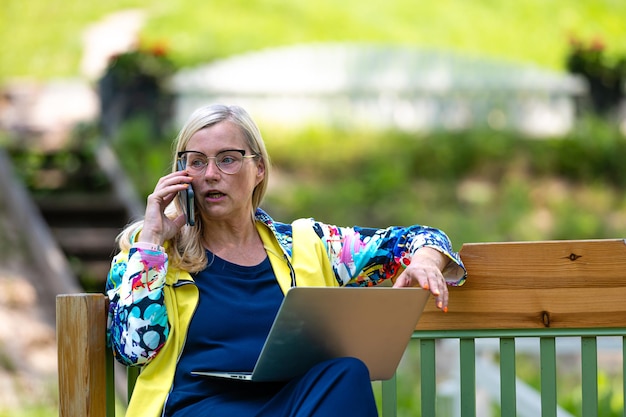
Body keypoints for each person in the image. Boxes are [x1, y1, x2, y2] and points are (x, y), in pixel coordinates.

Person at [106, 104, 467, 417]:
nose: (211, 174)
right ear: (181, 175)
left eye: (227, 159)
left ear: (259, 168)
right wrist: (152, 241)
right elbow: (134, 350)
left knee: (347, 372)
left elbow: (417, 237)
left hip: (292, 405)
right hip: (202, 408)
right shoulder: (146, 257)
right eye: (196, 162)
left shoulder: (306, 244)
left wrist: (424, 260)